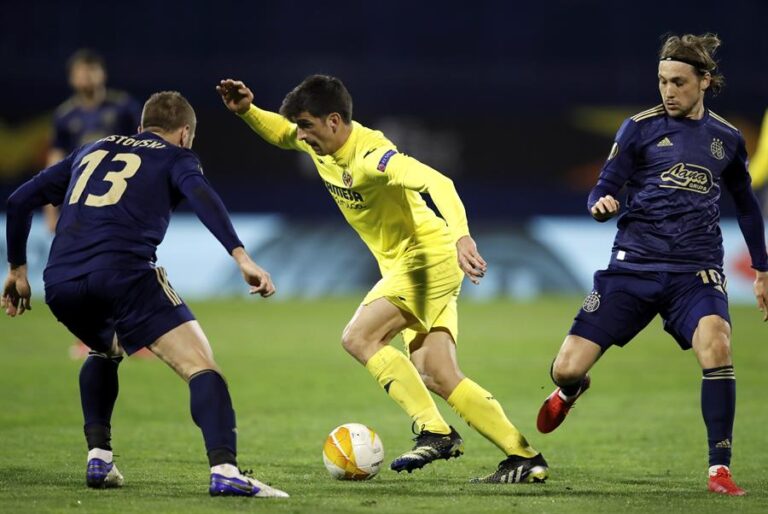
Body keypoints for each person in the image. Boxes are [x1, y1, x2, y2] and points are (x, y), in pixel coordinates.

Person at [217, 76, 548, 483]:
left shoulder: (372, 156)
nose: (301, 136)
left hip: (426, 258)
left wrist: (462, 235)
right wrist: (248, 111)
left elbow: (438, 182)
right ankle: (523, 456)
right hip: (415, 265)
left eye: (307, 126)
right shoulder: (314, 142)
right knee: (437, 373)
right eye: (300, 127)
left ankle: (435, 430)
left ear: (334, 121)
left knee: (358, 337)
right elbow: (281, 132)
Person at [2, 91, 288, 498]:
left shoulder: (92, 149)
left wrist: (16, 269)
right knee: (202, 367)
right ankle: (225, 470)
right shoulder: (177, 157)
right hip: (124, 273)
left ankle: (99, 458)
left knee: (105, 349)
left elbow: (18, 200)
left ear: (140, 128)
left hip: (61, 282)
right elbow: (202, 196)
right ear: (185, 134)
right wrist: (241, 256)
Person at [536, 33, 768, 497]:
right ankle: (570, 391)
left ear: (703, 81)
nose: (668, 91)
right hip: (632, 267)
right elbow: (603, 186)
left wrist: (762, 268)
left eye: (678, 82)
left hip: (695, 271)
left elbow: (746, 205)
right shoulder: (638, 128)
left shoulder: (726, 139)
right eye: (662, 81)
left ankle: (718, 470)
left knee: (717, 347)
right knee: (564, 368)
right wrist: (600, 203)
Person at [46, 49, 142, 359]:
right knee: (88, 272)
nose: (85, 77)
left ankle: (135, 335)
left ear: (102, 74)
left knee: (128, 267)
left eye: (91, 70)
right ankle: (89, 337)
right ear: (72, 77)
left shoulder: (124, 107)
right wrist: (51, 207)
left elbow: (145, 147)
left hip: (121, 200)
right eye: (80, 72)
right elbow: (55, 163)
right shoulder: (65, 116)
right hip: (82, 205)